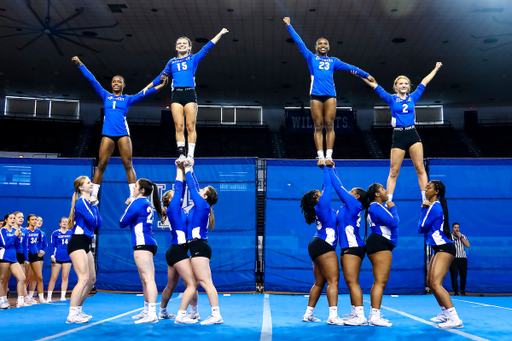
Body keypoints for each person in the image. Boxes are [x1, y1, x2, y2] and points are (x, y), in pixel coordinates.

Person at [71, 56, 168, 203]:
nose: (116, 83)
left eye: (119, 82)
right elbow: (92, 80)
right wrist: (80, 64)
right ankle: (94, 195)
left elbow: (144, 94)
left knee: (128, 164)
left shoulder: (127, 99)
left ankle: (133, 195)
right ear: (111, 85)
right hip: (108, 134)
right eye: (114, 81)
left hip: (123, 133)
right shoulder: (106, 96)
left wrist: (160, 86)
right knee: (101, 164)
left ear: (123, 85)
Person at [283, 17, 374, 165]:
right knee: (318, 125)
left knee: (329, 124)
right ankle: (320, 157)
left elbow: (350, 67)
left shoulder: (334, 61)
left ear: (329, 47)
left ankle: (329, 156)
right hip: (315, 95)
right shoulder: (311, 58)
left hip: (330, 95)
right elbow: (300, 43)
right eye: (320, 43)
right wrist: (289, 26)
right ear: (316, 47)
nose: (323, 45)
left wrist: (365, 74)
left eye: (325, 43)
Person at [358, 63, 443, 203]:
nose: (403, 85)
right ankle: (389, 199)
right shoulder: (391, 99)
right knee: (393, 171)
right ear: (396, 86)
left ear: (408, 86)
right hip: (398, 135)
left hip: (412, 133)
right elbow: (375, 86)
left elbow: (425, 82)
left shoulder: (413, 97)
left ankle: (425, 198)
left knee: (420, 168)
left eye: (405, 83)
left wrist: (435, 69)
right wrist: (361, 75)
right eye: (400, 83)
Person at [142, 29, 229, 163]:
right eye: (179, 43)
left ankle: (190, 155)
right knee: (179, 126)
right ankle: (181, 153)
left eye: (184, 43)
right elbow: (161, 76)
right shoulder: (172, 62)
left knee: (190, 126)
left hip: (189, 93)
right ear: (176, 47)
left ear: (189, 47)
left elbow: (207, 47)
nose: (181, 45)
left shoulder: (193, 58)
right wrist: (147, 87)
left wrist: (220, 33)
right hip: (176, 94)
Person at [299, 164, 343, 325]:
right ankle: (332, 315)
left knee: (319, 282)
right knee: (333, 280)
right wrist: (325, 169)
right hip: (323, 245)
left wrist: (333, 169)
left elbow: (326, 185)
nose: (322, 193)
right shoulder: (322, 205)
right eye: (319, 193)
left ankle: (308, 313)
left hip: (317, 243)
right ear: (317, 199)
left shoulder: (320, 207)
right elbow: (329, 186)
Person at [179, 160, 222, 325]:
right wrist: (190, 167)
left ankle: (216, 314)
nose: (200, 189)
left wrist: (188, 168)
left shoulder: (202, 205)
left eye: (203, 190)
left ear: (205, 196)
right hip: (196, 246)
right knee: (192, 282)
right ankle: (194, 312)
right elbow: (195, 185)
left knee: (205, 282)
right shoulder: (202, 205)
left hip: (199, 246)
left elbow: (191, 186)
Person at [418, 180, 463, 329]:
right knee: (431, 283)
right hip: (439, 248)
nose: (425, 189)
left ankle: (455, 318)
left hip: (445, 247)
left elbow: (422, 227)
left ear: (436, 192)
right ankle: (444, 313)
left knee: (436, 284)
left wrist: (423, 209)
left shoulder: (434, 206)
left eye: (428, 188)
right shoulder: (434, 206)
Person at [160, 161, 200, 324]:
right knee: (192, 283)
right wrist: (180, 169)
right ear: (170, 200)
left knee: (171, 285)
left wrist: (186, 170)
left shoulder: (178, 209)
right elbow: (179, 188)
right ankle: (186, 314)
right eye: (174, 195)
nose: (179, 196)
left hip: (174, 251)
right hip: (178, 251)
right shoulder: (173, 208)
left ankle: (162, 312)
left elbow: (181, 190)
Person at [120, 178, 163, 324]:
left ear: (142, 191)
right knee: (145, 279)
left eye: (136, 186)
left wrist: (129, 204)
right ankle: (146, 310)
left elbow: (122, 222)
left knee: (148, 279)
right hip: (147, 243)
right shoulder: (146, 203)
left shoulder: (138, 203)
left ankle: (152, 313)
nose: (133, 188)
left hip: (142, 244)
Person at [329, 166, 368, 326]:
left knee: (352, 282)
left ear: (356, 196)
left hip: (353, 247)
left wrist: (329, 169)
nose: (348, 192)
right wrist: (333, 169)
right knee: (350, 281)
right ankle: (354, 313)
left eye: (351, 191)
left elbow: (338, 187)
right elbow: (339, 185)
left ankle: (360, 315)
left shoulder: (354, 204)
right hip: (348, 248)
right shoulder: (346, 207)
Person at [66, 176, 102, 324]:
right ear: (81, 188)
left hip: (85, 243)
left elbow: (99, 223)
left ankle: (79, 310)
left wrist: (94, 205)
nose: (91, 184)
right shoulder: (81, 202)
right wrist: (93, 205)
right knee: (83, 279)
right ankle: (72, 314)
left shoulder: (88, 203)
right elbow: (93, 221)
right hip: (77, 242)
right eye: (88, 182)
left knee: (91, 279)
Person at [365, 183, 399, 327]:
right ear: (377, 194)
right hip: (379, 244)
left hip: (379, 244)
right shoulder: (376, 207)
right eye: (383, 189)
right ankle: (375, 316)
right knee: (380, 282)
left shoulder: (376, 207)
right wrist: (393, 207)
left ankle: (374, 315)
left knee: (379, 282)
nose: (386, 191)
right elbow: (394, 222)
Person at [0, 214, 30, 308]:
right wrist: (14, 236)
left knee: (22, 277)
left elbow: (17, 246)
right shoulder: (2, 230)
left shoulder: (15, 231)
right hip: (4, 257)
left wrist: (18, 237)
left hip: (13, 257)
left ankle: (20, 300)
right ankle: (2, 300)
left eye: (14, 218)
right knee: (3, 280)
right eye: (11, 218)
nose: (13, 220)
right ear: (6, 220)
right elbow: (5, 244)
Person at [47, 217, 73, 302]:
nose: (65, 223)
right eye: (63, 222)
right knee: (53, 277)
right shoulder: (55, 233)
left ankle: (62, 296)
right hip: (57, 258)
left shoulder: (71, 233)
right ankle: (49, 297)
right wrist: (52, 255)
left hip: (67, 258)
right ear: (60, 223)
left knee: (65, 277)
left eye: (66, 222)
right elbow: (52, 245)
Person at [25, 214, 46, 303]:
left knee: (39, 277)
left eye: (35, 219)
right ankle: (23, 297)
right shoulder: (25, 231)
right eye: (32, 219)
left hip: (34, 255)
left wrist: (38, 250)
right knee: (26, 278)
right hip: (26, 255)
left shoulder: (39, 232)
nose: (35, 221)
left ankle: (41, 298)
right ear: (28, 221)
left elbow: (41, 242)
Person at [449, 222, 470, 296]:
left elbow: (467, 245)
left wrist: (461, 237)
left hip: (462, 258)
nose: (457, 229)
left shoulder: (463, 236)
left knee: (463, 276)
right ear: (452, 228)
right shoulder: (449, 236)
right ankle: (455, 291)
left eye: (458, 227)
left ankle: (462, 290)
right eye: (455, 227)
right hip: (453, 259)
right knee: (454, 275)